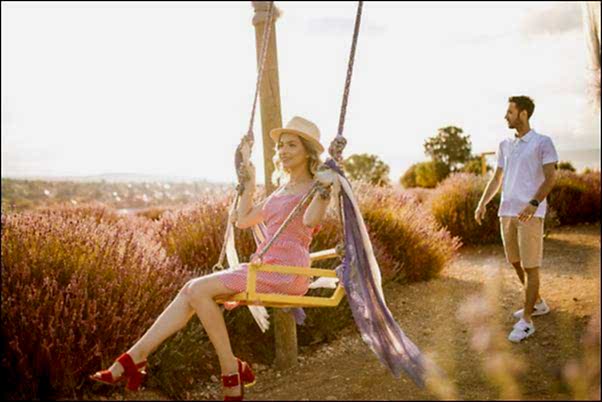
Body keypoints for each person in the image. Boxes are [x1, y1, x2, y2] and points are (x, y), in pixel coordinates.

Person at [90, 116, 334, 400]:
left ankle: (227, 368)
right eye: (281, 145)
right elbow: (243, 219)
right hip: (264, 268)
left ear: (308, 151)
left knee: (196, 289)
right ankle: (136, 358)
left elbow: (311, 220)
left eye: (292, 145)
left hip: (287, 273)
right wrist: (249, 182)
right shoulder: (281, 190)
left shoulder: (315, 188)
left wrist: (324, 191)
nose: (283, 151)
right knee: (191, 291)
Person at [474, 96, 558, 343]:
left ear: (523, 114)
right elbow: (497, 178)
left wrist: (534, 203)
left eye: (510, 112)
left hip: (530, 213)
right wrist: (482, 203)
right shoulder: (505, 145)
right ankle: (537, 303)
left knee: (531, 266)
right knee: (515, 261)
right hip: (507, 211)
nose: (505, 116)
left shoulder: (542, 142)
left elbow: (551, 177)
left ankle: (527, 321)